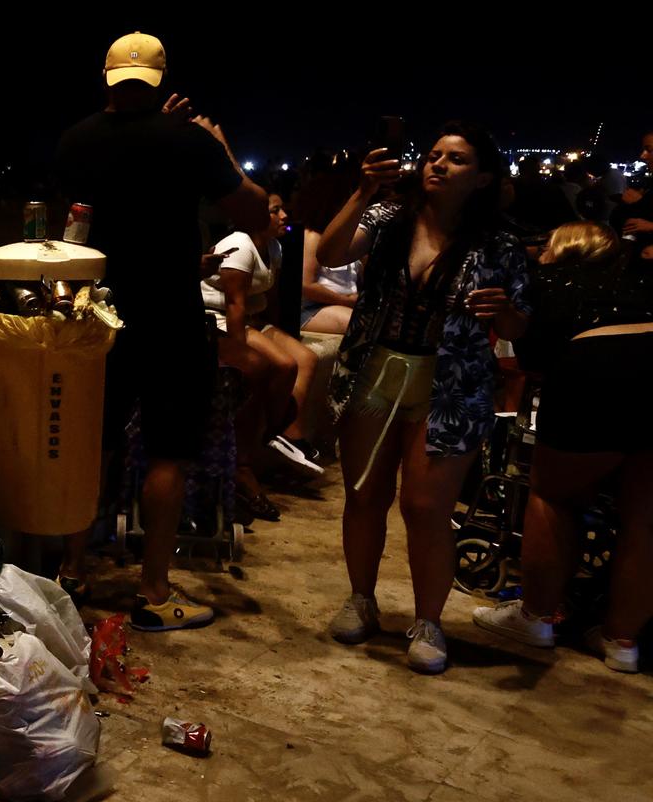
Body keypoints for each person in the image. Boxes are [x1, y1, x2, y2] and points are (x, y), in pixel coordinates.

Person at [54, 31, 267, 631]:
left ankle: (71, 569)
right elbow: (254, 210)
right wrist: (215, 147)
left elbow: (68, 219)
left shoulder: (75, 141)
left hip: (96, 311)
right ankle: (152, 591)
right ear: (161, 80)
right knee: (168, 451)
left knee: (93, 442)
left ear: (106, 77)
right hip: (170, 315)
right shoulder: (189, 141)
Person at [316, 121, 530, 674]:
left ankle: (429, 621)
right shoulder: (389, 219)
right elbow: (332, 253)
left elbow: (521, 326)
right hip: (375, 368)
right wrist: (363, 191)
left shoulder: (500, 243)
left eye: (456, 159)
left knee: (426, 508)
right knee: (364, 494)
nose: (438, 164)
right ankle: (362, 599)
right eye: (434, 155)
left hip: (451, 385)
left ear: (482, 178)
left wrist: (502, 312)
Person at [474, 222, 653, 671]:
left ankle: (536, 616)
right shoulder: (638, 278)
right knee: (644, 518)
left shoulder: (549, 281)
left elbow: (533, 361)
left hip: (597, 368)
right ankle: (623, 642)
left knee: (553, 496)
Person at [203, 192, 326, 497]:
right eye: (275, 210)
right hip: (220, 318)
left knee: (307, 357)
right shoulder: (240, 246)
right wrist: (241, 350)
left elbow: (270, 298)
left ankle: (286, 434)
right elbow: (233, 304)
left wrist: (280, 334)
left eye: (283, 208)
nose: (284, 216)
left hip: (251, 319)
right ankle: (278, 434)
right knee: (283, 365)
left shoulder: (274, 247)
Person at [293, 165, 362, 335]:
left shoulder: (347, 236)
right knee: (361, 325)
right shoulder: (313, 236)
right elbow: (306, 285)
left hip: (342, 303)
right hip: (312, 308)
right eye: (345, 201)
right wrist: (346, 301)